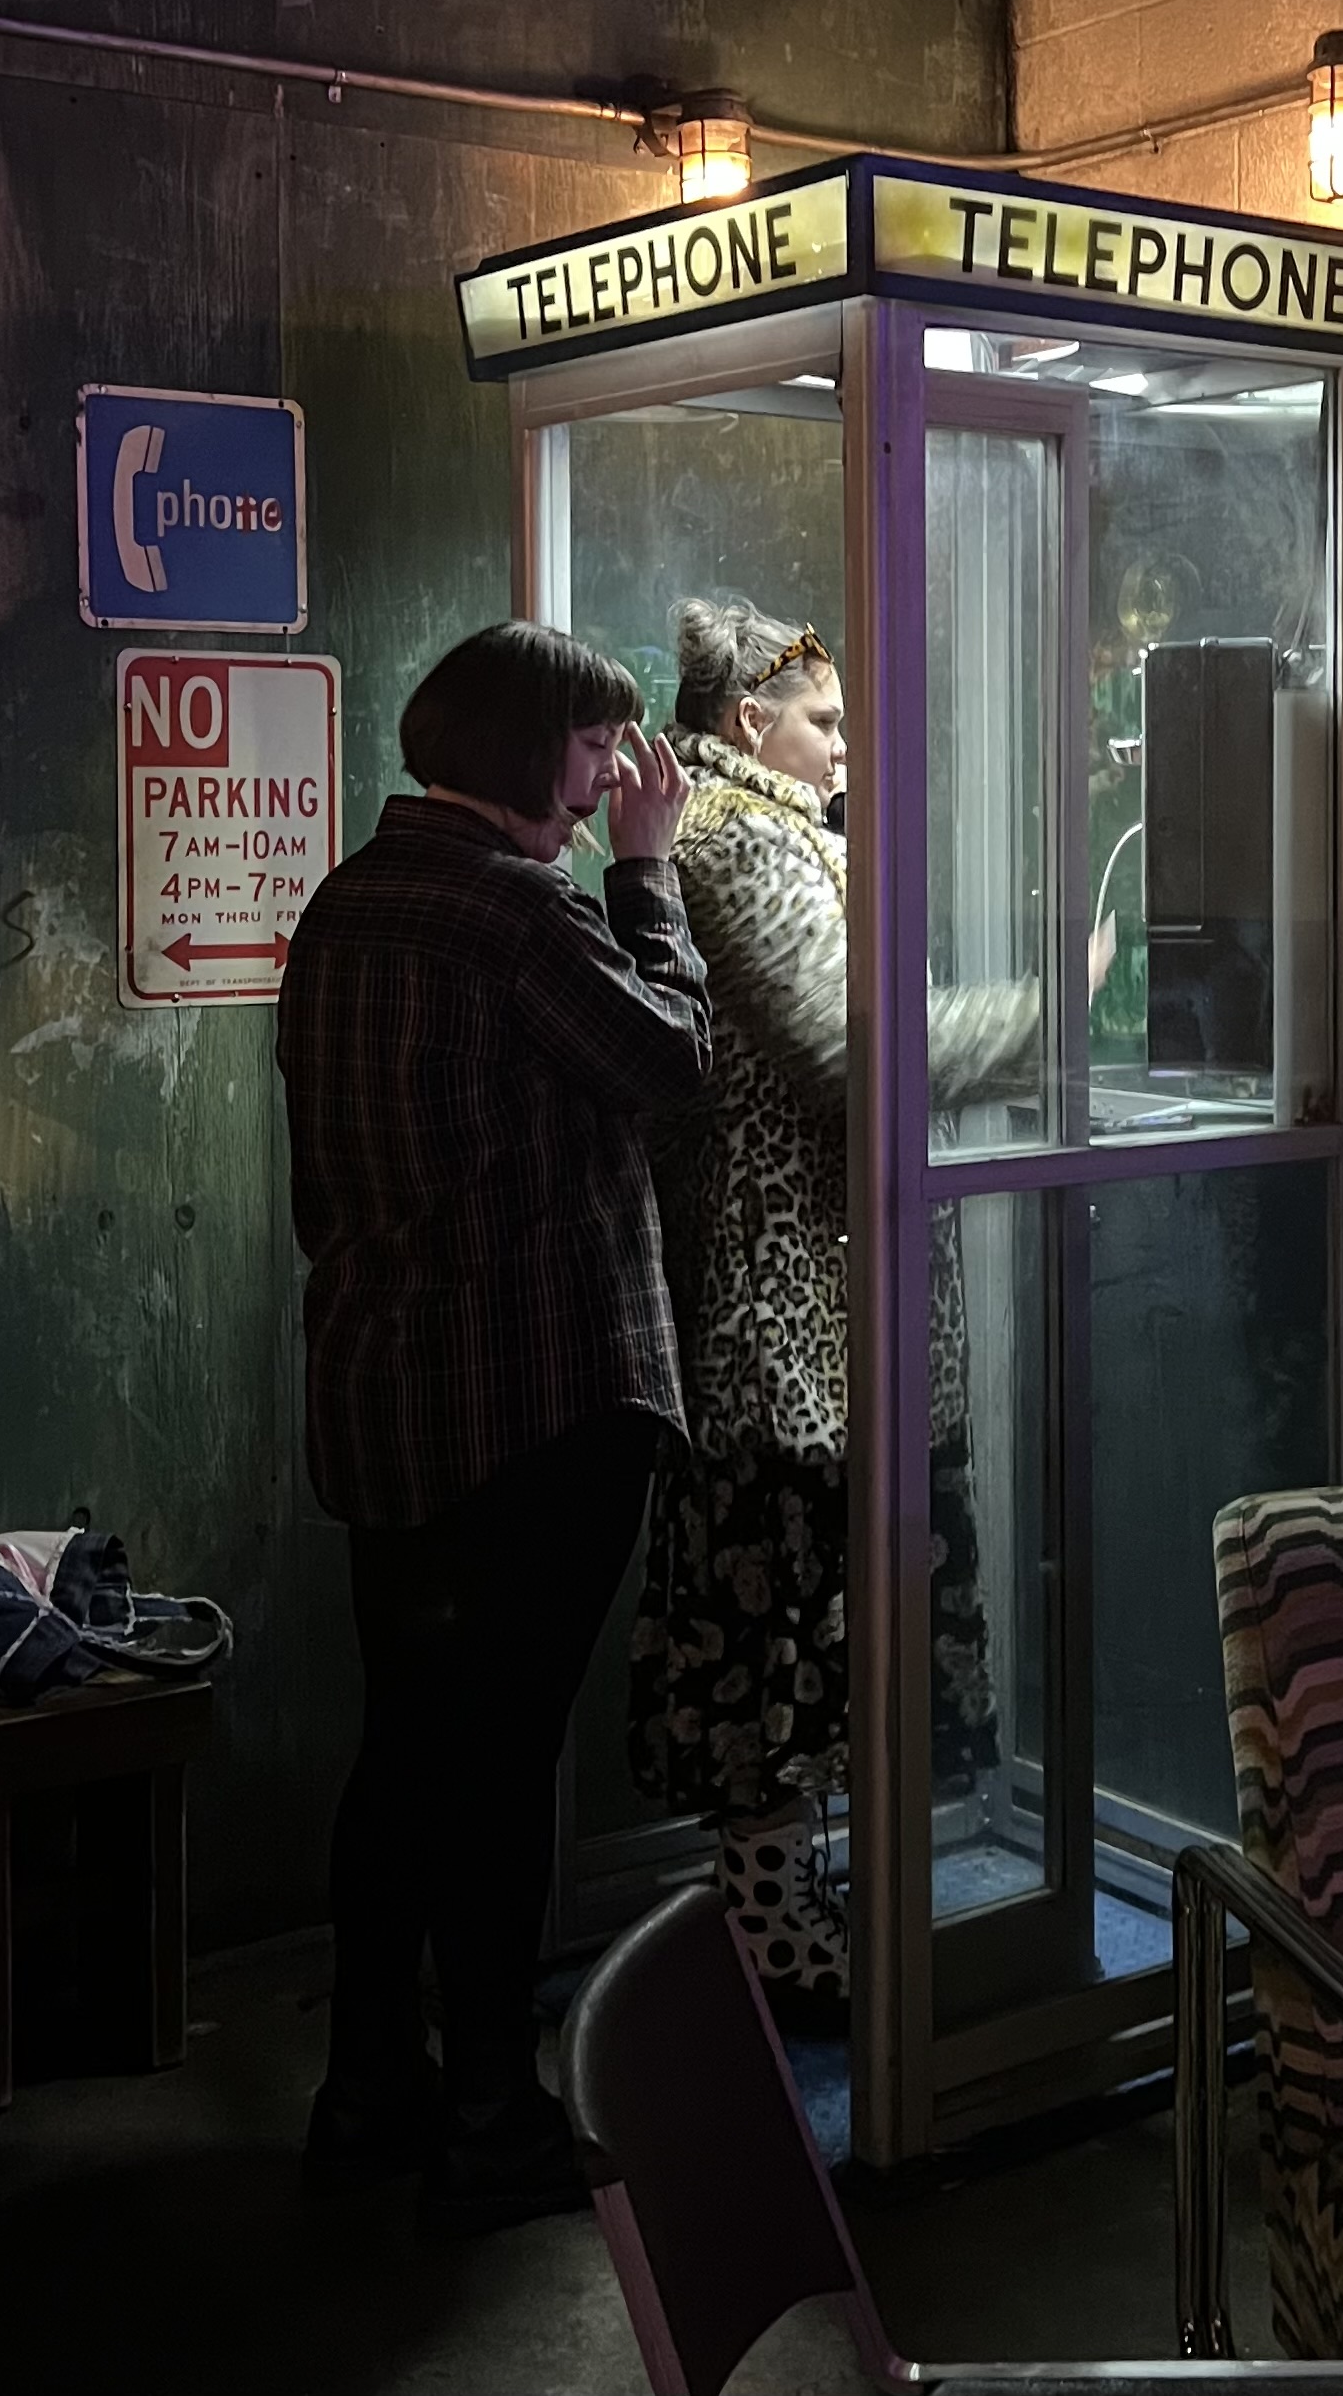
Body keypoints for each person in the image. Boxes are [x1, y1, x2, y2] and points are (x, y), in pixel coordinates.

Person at [625, 595, 1111, 2020]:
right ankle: (771, 1927)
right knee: (775, 1627)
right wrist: (1052, 1011)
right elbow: (851, 1042)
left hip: (832, 1314)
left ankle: (788, 1907)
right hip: (784, 1324)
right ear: (742, 724)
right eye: (824, 721)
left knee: (823, 1628)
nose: (847, 748)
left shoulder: (775, 837)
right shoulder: (730, 846)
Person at [277, 620, 705, 2232]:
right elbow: (671, 1061)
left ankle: (367, 2092)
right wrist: (651, 885)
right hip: (531, 1408)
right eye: (597, 754)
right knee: (502, 1762)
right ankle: (492, 2113)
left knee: (404, 1754)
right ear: (531, 754)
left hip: (383, 1405)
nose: (612, 786)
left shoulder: (348, 900)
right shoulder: (522, 911)